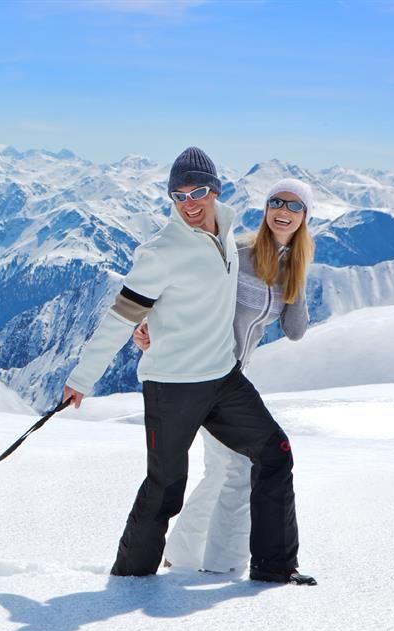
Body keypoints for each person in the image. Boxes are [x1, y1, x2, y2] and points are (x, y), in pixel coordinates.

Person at [61, 147, 315, 584]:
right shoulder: (162, 251)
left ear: (215, 191)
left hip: (223, 377)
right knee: (166, 485)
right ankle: (129, 581)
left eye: (197, 192)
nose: (189, 203)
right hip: (173, 384)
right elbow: (122, 315)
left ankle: (275, 568)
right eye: (178, 195)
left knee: (275, 453)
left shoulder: (228, 238)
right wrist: (82, 377)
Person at [133, 178, 315, 573]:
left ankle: (180, 555)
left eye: (294, 206)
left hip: (233, 381)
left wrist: (296, 275)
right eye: (276, 202)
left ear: (305, 217)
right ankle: (222, 567)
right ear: (266, 209)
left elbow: (295, 330)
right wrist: (151, 324)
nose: (283, 211)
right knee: (240, 468)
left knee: (221, 469)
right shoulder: (239, 253)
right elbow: (189, 290)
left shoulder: (290, 267)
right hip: (201, 373)